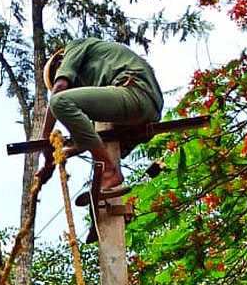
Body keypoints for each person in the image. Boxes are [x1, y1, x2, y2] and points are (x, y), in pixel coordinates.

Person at [39, 37, 163, 194]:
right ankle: (108, 173)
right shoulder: (98, 78)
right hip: (147, 110)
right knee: (102, 139)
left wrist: (45, 140)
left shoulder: (74, 48)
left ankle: (109, 172)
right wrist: (56, 158)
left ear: (60, 63)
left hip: (134, 92)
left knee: (59, 102)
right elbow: (89, 136)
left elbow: (60, 90)